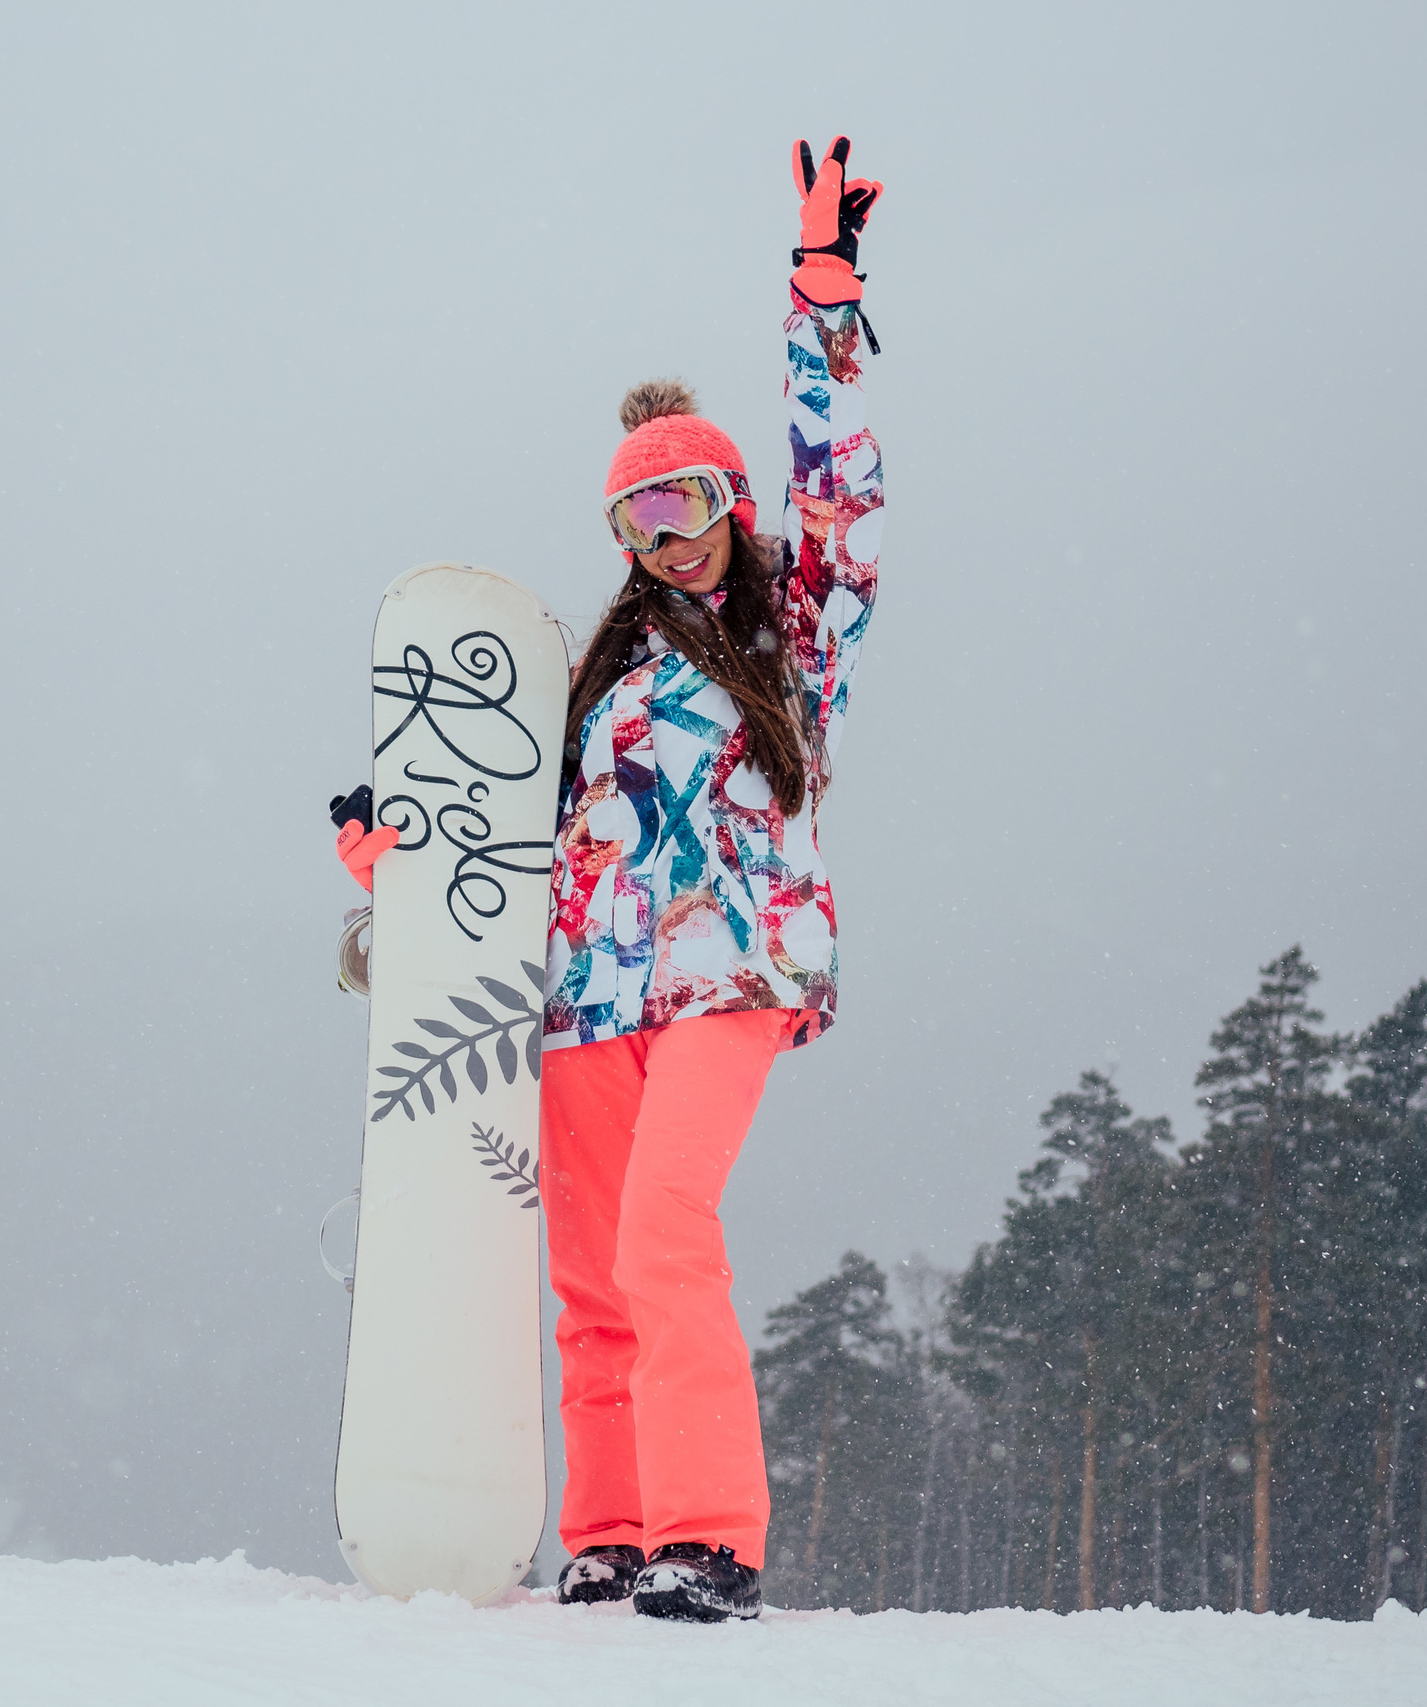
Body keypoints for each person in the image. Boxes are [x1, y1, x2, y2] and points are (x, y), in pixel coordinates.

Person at [334, 137, 884, 1622]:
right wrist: (399, 854)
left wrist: (823, 302)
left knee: (664, 1234)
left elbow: (841, 492)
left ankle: (711, 1534)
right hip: (587, 995)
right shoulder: (600, 679)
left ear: (732, 502)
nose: (670, 540)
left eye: (690, 506)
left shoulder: (794, 632)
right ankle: (616, 1529)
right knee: (590, 1277)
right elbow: (507, 837)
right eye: (639, 523)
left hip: (731, 967)